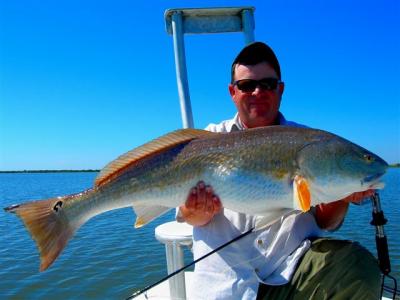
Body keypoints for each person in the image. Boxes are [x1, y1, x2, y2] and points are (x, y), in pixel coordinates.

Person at [176, 42, 381, 299]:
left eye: (268, 84)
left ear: (280, 89)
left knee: (358, 268)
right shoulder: (207, 141)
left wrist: (341, 195)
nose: (257, 92)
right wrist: (194, 212)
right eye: (247, 85)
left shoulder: (310, 142)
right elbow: (186, 215)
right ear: (232, 92)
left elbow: (326, 222)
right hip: (225, 283)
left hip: (293, 270)